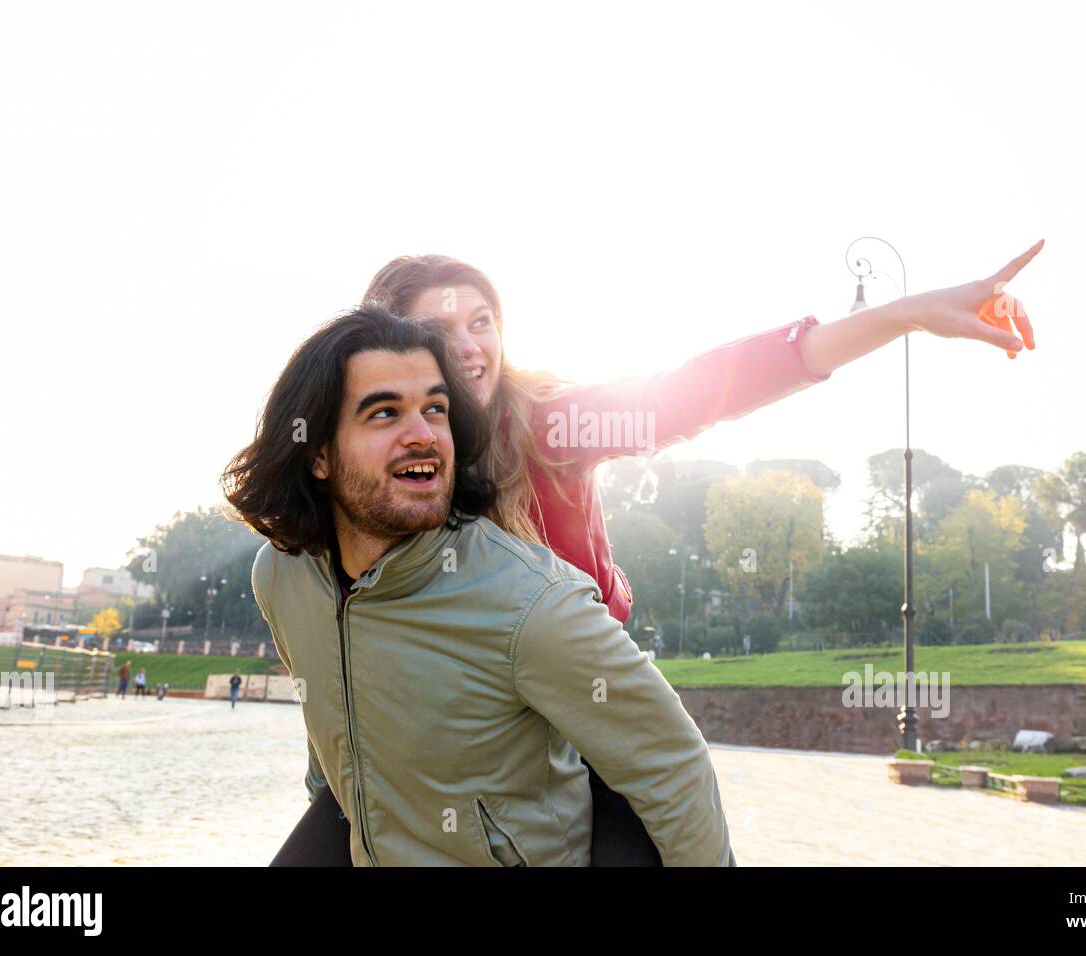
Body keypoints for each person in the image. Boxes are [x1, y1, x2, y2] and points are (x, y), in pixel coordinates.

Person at [279, 241, 1044, 865]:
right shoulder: (363, 476)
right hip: (443, 740)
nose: (472, 344)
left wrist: (904, 315)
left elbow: (698, 390)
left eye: (485, 320)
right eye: (444, 328)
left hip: (583, 730)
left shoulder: (551, 426)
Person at [224, 307, 735, 866]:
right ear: (318, 453)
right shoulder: (282, 575)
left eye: (435, 409)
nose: (421, 435)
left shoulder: (530, 603)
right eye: (384, 413)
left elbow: (675, 766)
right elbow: (329, 730)